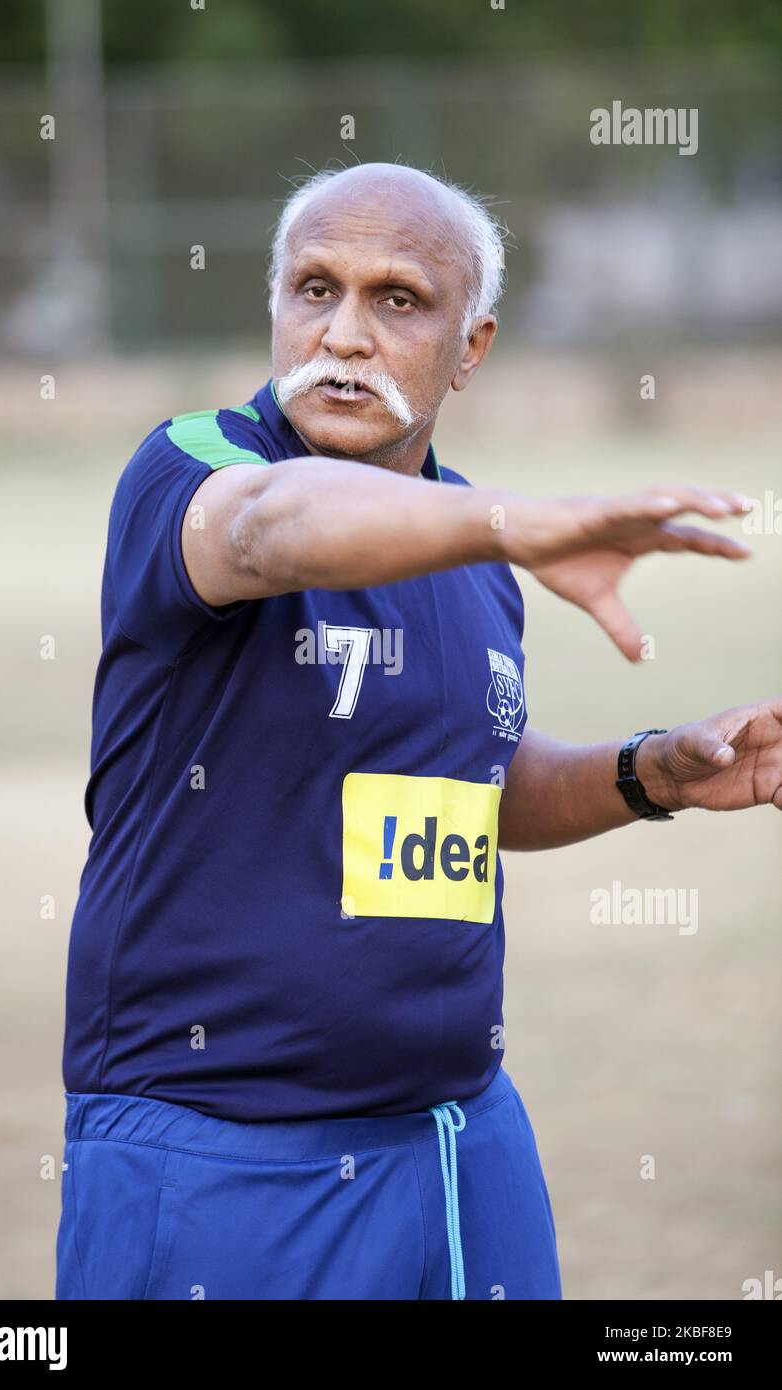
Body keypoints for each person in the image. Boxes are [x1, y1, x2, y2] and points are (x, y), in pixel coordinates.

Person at [56, 162, 781, 1301]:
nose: (342, 334)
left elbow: (471, 789)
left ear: (471, 346)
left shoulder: (477, 560)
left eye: (397, 300)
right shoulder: (198, 468)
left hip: (460, 1143)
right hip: (220, 1155)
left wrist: (651, 773)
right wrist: (510, 522)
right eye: (312, 289)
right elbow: (266, 531)